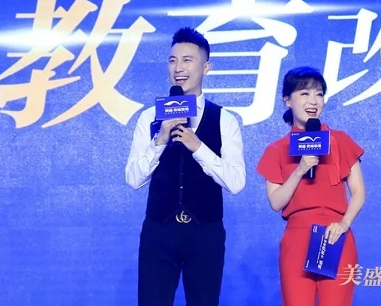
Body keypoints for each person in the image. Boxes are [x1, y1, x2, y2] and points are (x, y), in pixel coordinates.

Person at [125, 27, 246, 306]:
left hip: (205, 232)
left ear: (206, 67)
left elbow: (237, 182)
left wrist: (199, 147)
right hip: (159, 230)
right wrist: (160, 141)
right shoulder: (149, 118)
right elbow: (133, 178)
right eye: (172, 60)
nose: (178, 68)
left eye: (187, 60)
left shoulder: (224, 119)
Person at [256, 66, 366, 306]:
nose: (313, 101)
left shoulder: (340, 140)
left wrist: (344, 223)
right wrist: (300, 170)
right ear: (287, 100)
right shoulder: (276, 149)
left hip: (335, 236)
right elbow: (276, 202)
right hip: (297, 237)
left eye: (319, 94)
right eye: (304, 93)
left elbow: (359, 193)